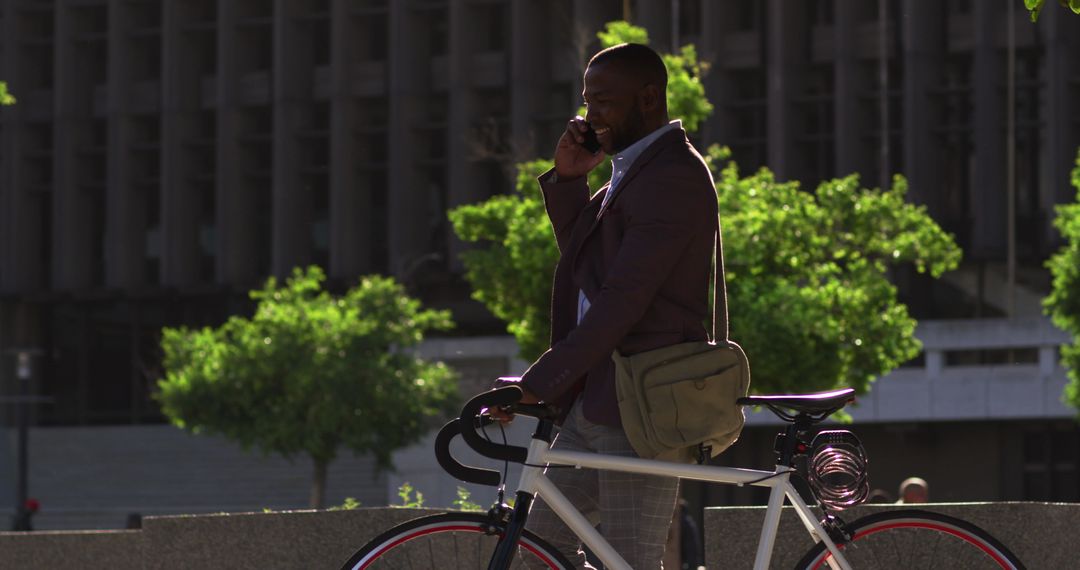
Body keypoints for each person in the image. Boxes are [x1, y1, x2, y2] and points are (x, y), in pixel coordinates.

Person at [493, 42, 720, 569]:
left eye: (603, 103)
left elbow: (623, 300)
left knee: (630, 559)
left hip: (639, 406)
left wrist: (539, 381)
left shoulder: (673, 176)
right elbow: (588, 265)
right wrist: (571, 180)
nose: (588, 117)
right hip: (597, 397)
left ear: (647, 99)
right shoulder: (631, 168)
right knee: (534, 550)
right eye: (586, 101)